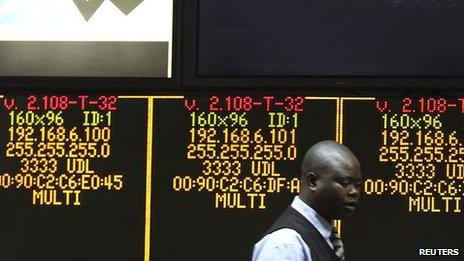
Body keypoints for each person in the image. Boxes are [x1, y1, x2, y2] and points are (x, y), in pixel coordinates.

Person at [252, 140, 362, 261]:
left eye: (357, 184)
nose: (354, 192)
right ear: (312, 182)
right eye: (344, 182)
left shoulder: (324, 237)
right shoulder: (286, 244)